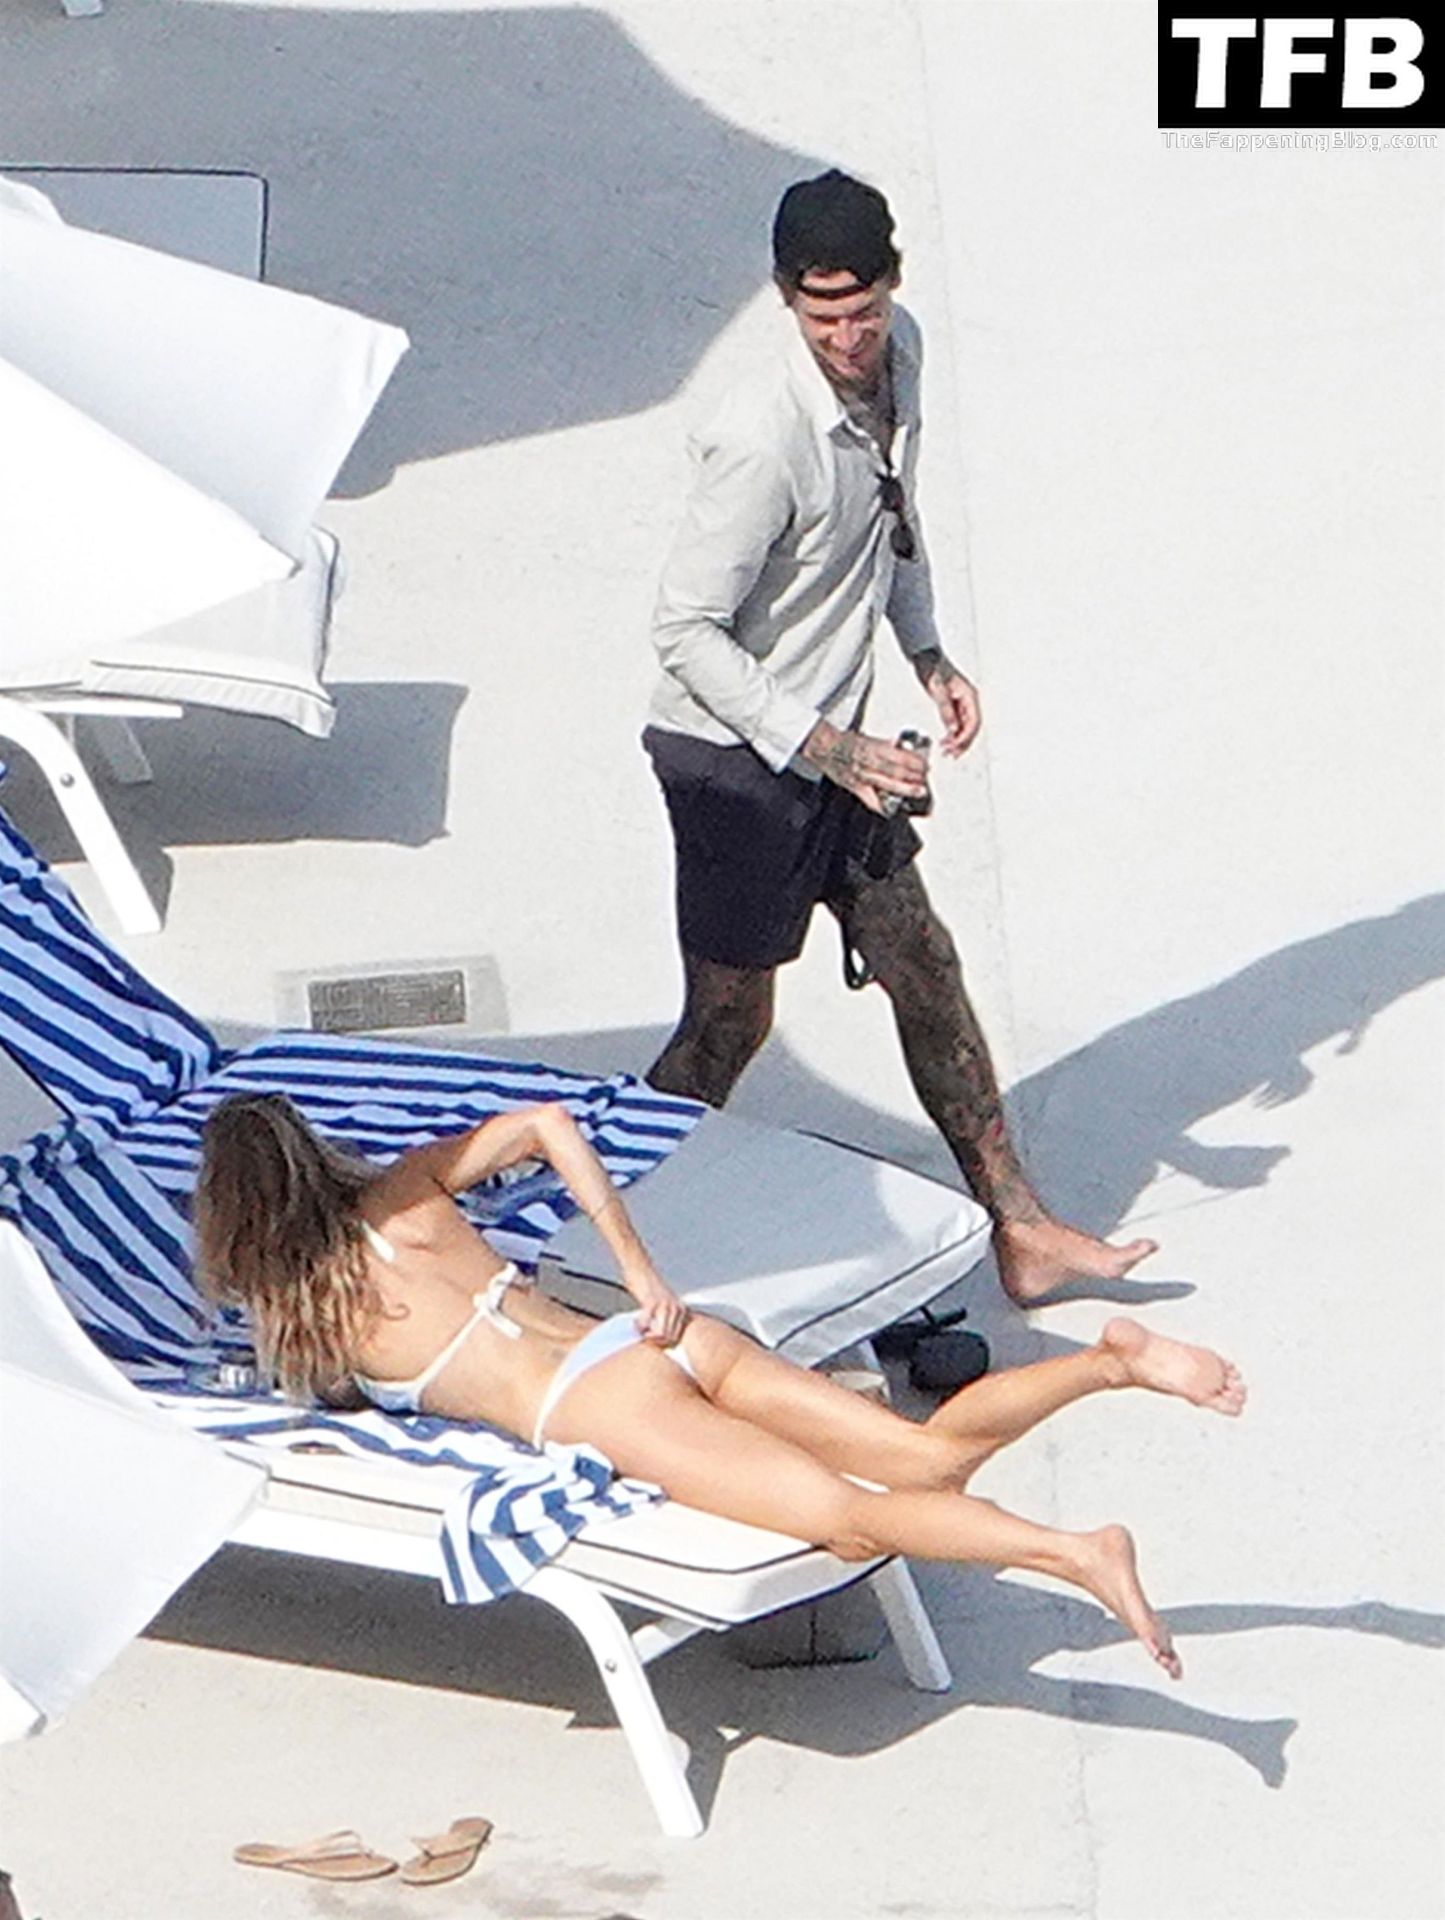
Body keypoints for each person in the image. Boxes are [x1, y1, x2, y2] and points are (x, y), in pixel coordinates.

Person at [195, 1092, 1246, 1677]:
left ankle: (1074, 1553)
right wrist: (640, 1270)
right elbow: (550, 1122)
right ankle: (1111, 1362)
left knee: (848, 1522)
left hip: (600, 1408)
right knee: (925, 1456)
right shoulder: (406, 1195)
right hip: (655, 1334)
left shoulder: (305, 1319)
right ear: (313, 1150)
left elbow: (311, 1399)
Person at [643, 169, 1154, 1305]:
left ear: (892, 285)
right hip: (732, 765)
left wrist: (925, 652)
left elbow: (890, 519)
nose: (846, 338)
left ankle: (1019, 1226)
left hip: (839, 751)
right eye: (819, 316)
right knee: (726, 1030)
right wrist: (825, 745)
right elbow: (681, 632)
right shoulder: (759, 439)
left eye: (861, 310)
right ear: (786, 300)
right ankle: (599, 1226)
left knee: (922, 966)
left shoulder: (899, 357)